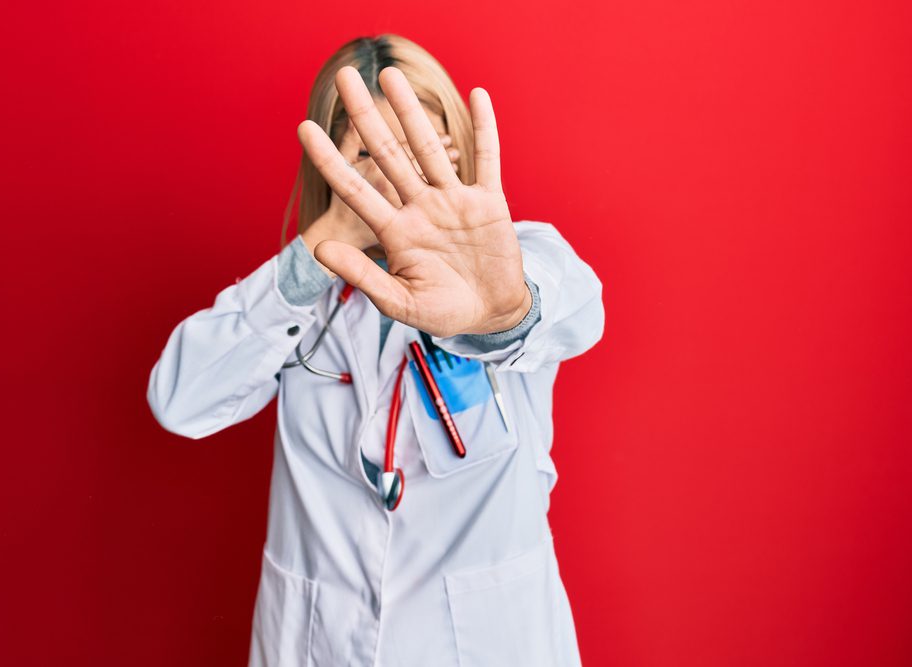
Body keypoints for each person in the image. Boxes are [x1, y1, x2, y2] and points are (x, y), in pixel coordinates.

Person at [147, 33, 605, 667]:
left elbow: (576, 311)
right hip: (320, 646)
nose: (397, 169)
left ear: (454, 145)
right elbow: (180, 400)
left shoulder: (519, 263)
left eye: (417, 141)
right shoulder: (302, 297)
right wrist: (325, 243)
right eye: (371, 151)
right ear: (334, 166)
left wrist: (497, 311)